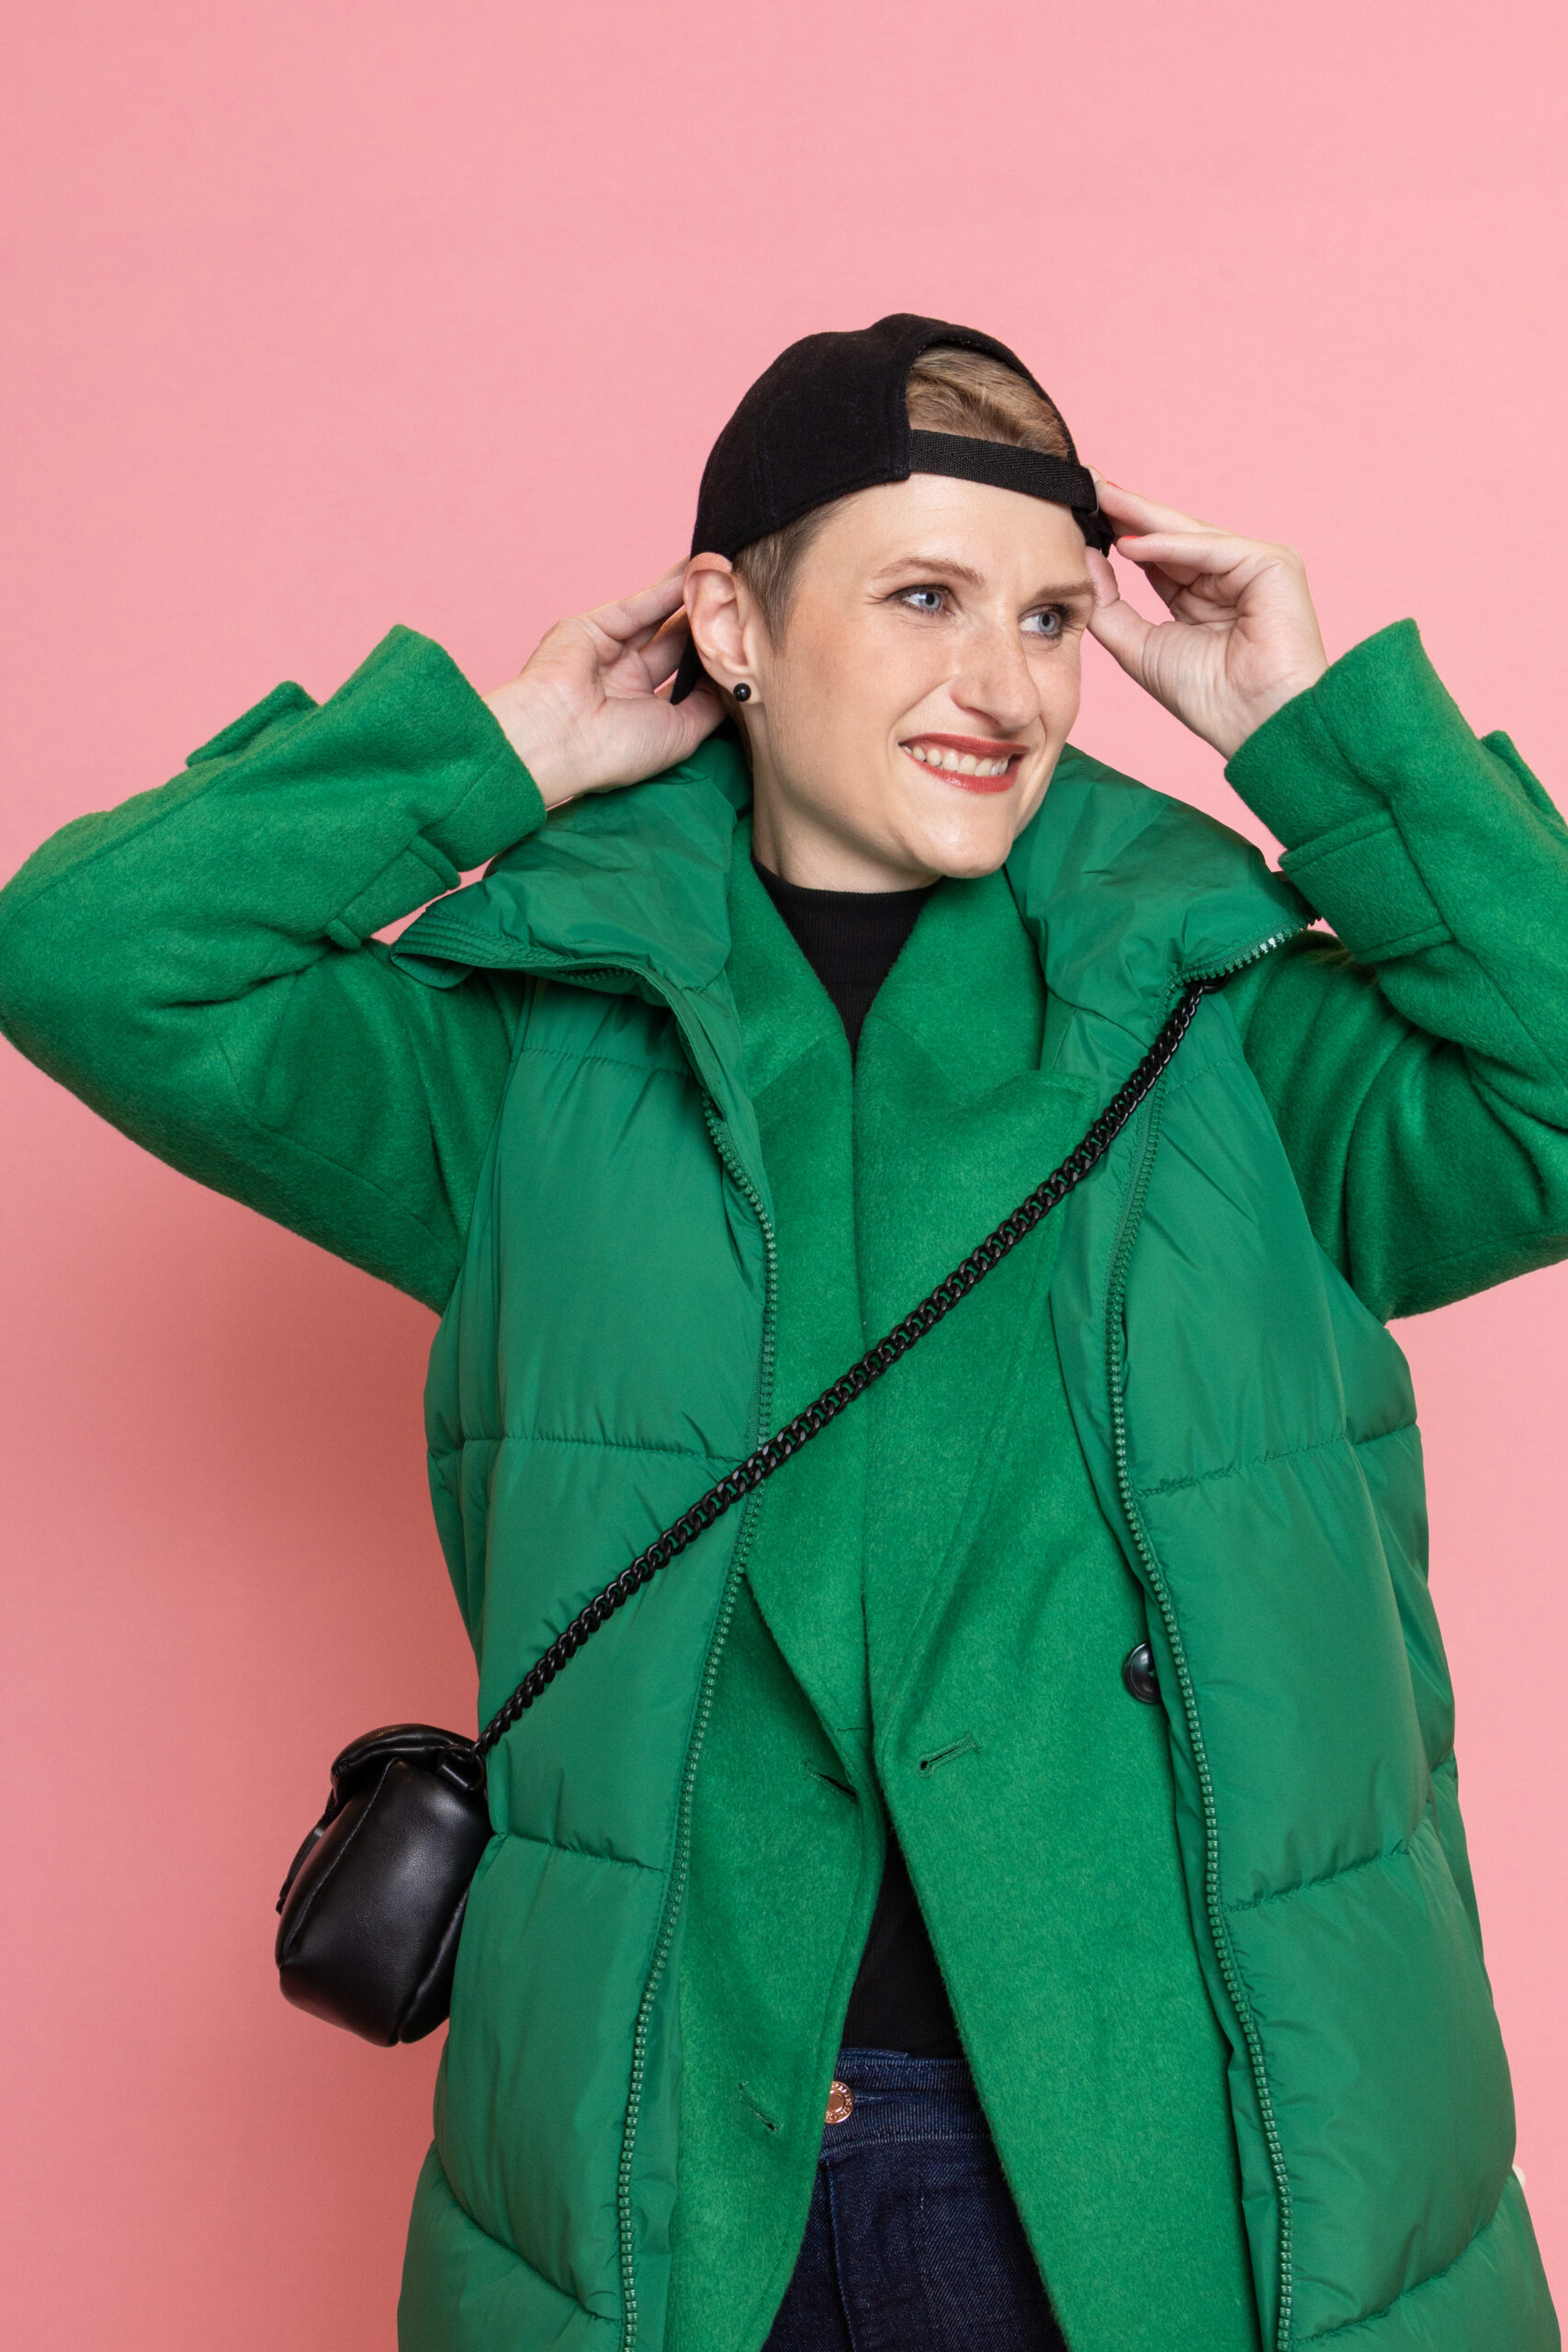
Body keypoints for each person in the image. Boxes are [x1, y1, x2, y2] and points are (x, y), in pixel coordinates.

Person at [0, 312, 1562, 2352]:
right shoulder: (537, 1052)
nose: (1002, 684)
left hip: (1144, 2151)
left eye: (1047, 617)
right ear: (729, 625)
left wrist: (1320, 734)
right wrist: (495, 753)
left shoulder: (1230, 1025)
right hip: (678, 2165)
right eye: (923, 598)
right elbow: (90, 955)